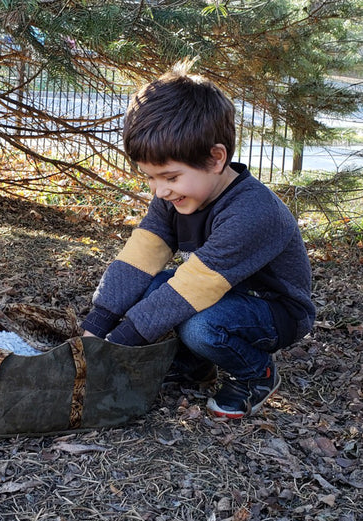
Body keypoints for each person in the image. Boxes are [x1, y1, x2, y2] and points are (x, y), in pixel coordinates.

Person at [81, 66, 315, 419]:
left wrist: (118, 344)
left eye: (170, 176)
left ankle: (256, 373)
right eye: (150, 178)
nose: (159, 190)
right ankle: (194, 364)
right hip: (219, 294)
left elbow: (194, 285)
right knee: (151, 288)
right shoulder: (172, 197)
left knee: (201, 326)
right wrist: (96, 325)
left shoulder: (253, 212)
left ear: (216, 158)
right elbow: (139, 257)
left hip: (274, 312)